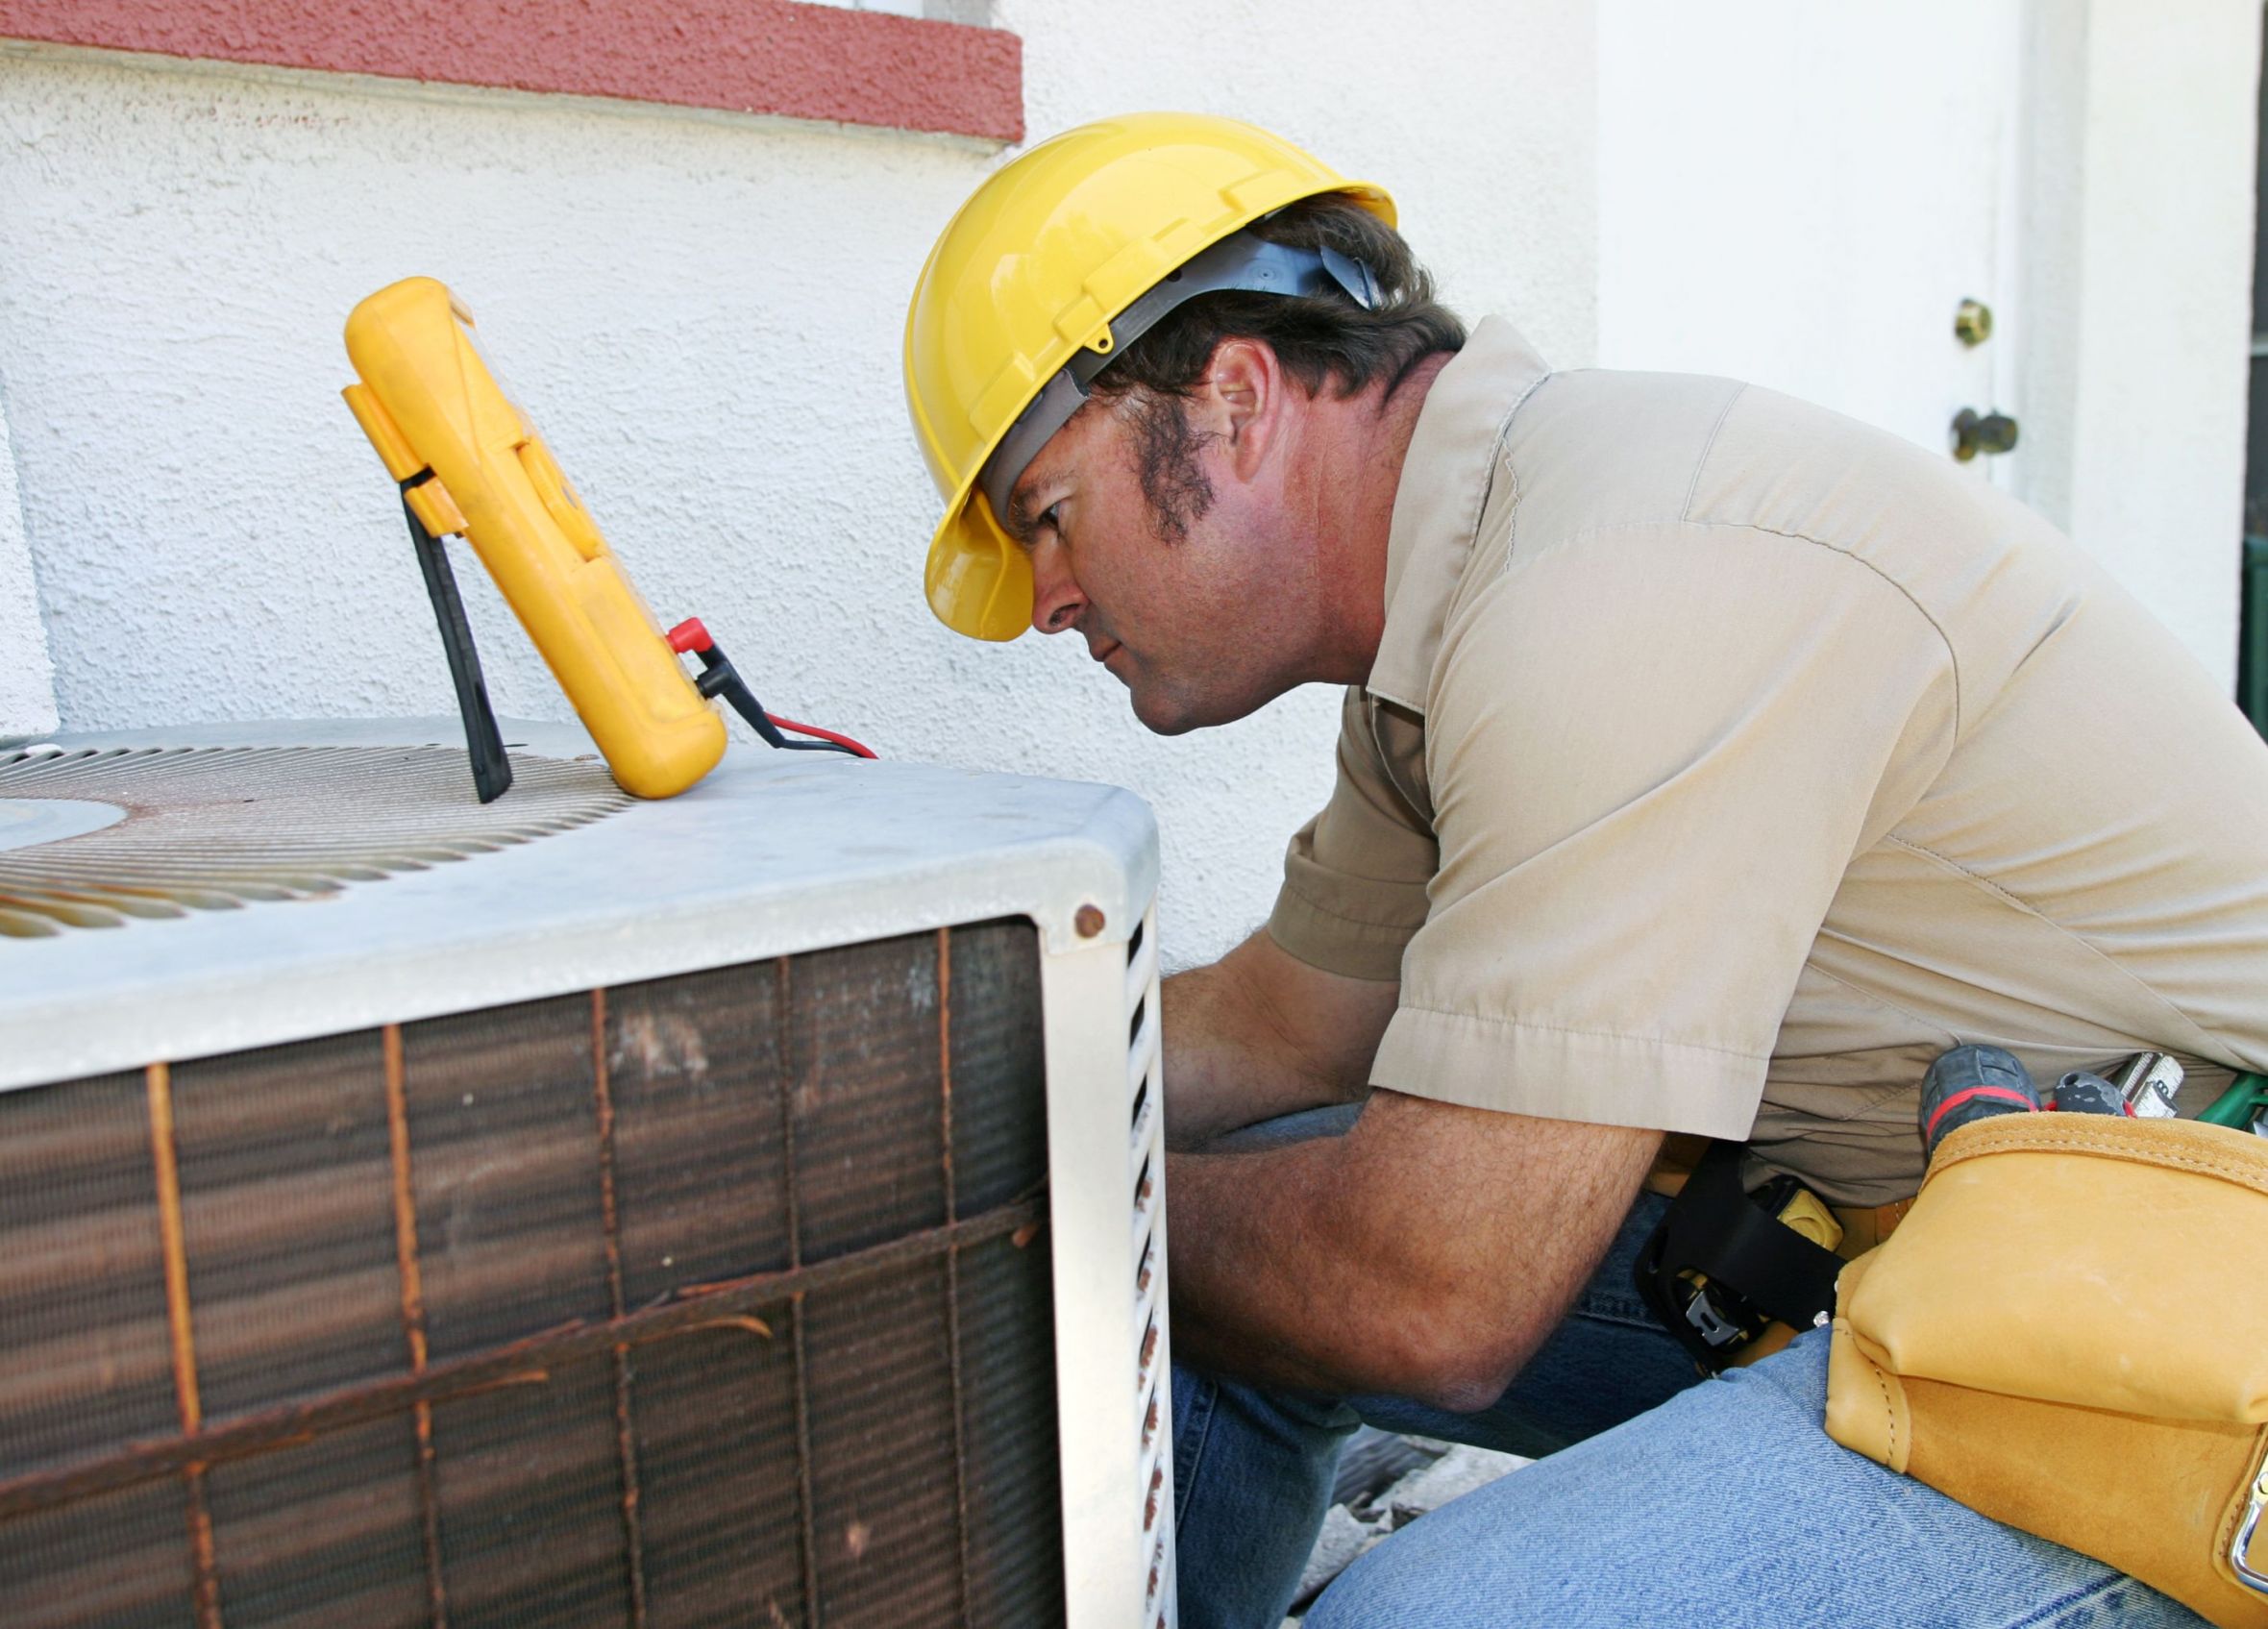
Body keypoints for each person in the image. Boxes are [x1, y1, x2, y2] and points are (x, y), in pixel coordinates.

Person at [901, 112, 2268, 1627]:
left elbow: (1431, 1295)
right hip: (1940, 1249)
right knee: (1218, 1281)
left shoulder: (1620, 582)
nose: (1044, 601)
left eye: (1046, 517)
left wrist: (996, 1195)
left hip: (2186, 1308)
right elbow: (1283, 1027)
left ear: (1230, 402)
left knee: (1421, 1618)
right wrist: (949, 1088)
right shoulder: (1449, 621)